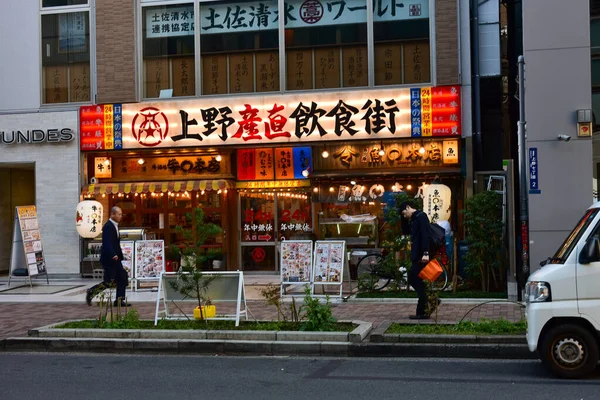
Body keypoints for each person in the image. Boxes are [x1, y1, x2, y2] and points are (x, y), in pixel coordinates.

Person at [399, 201, 439, 320]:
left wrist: (426, 252)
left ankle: (426, 306)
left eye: (404, 213)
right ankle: (425, 308)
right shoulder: (414, 219)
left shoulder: (421, 216)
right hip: (417, 254)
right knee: (418, 281)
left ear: (408, 207)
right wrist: (403, 219)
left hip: (422, 255)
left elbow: (425, 234)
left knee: (413, 278)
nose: (404, 215)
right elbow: (405, 231)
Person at [86, 206, 130, 307]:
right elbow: (107, 243)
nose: (120, 216)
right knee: (109, 281)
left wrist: (120, 255)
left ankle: (119, 300)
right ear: (112, 214)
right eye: (119, 214)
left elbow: (115, 243)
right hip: (109, 259)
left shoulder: (115, 225)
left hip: (116, 259)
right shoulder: (108, 226)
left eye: (121, 214)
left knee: (122, 277)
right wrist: (113, 254)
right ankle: (91, 292)